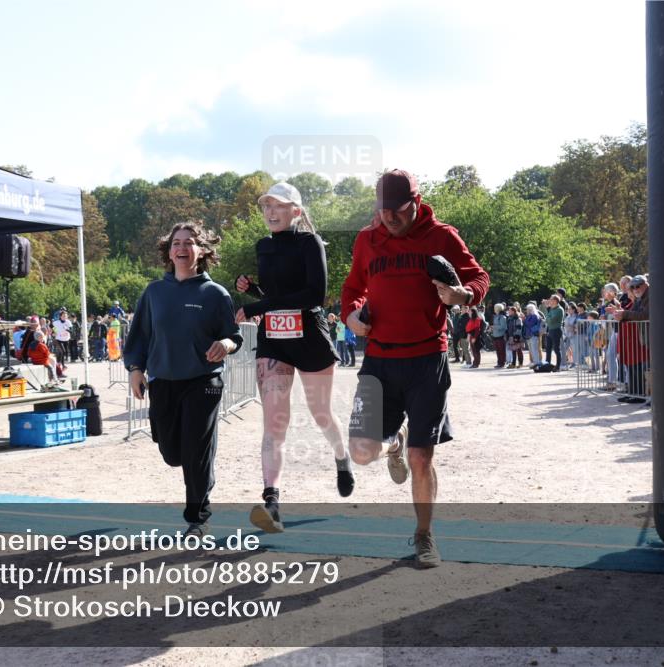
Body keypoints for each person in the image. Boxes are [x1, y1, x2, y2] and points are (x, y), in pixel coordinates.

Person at [342, 169, 489, 568]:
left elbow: (479, 277)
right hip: (379, 360)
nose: (390, 218)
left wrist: (462, 294)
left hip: (427, 358)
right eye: (383, 210)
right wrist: (352, 318)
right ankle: (393, 442)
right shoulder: (366, 240)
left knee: (422, 458)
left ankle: (424, 537)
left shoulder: (442, 236)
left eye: (399, 210)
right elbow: (352, 289)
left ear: (417, 202)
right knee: (361, 451)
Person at [235, 181, 353, 534]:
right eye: (266, 206)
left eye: (279, 206)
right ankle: (271, 502)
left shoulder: (309, 243)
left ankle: (341, 456)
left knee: (320, 414)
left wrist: (257, 304)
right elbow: (279, 294)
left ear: (296, 212)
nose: (270, 212)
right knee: (275, 420)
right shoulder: (263, 247)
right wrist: (254, 290)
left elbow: (312, 294)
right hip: (275, 339)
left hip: (310, 337)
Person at [124, 222, 242, 538]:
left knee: (195, 453)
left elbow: (233, 336)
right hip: (163, 381)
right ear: (169, 250)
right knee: (172, 453)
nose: (182, 247)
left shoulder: (215, 294)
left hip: (203, 382)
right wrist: (136, 369)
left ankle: (197, 517)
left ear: (201, 251)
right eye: (177, 242)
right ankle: (198, 472)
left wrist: (226, 345)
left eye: (189, 242)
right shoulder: (154, 292)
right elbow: (139, 337)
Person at [609, 274, 650, 404]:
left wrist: (624, 314)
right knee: (632, 367)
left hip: (647, 337)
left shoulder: (650, 296)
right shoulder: (640, 298)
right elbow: (634, 314)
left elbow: (645, 315)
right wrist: (621, 314)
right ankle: (633, 393)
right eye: (633, 287)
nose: (635, 289)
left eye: (638, 286)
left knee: (640, 367)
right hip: (641, 337)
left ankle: (640, 395)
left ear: (645, 284)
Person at [543, 294, 565, 370]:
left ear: (555, 301)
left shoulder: (559, 309)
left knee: (556, 349)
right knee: (548, 348)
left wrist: (548, 318)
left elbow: (551, 320)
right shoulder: (551, 309)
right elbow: (547, 319)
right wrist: (548, 318)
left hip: (556, 330)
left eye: (551, 299)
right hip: (550, 330)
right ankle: (547, 364)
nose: (550, 301)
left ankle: (558, 366)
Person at [523, 303, 542, 368]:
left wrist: (524, 319)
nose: (526, 311)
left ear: (531, 309)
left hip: (533, 334)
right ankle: (534, 362)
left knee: (534, 349)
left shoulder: (535, 316)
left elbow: (529, 324)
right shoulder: (529, 316)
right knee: (531, 350)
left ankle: (536, 362)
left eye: (527, 309)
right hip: (529, 335)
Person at [491, 303, 508, 368]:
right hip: (495, 336)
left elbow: (503, 327)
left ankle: (502, 363)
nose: (494, 309)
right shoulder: (495, 316)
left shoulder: (502, 317)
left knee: (502, 351)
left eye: (495, 308)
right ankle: (499, 362)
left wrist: (494, 327)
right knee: (498, 350)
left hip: (501, 336)